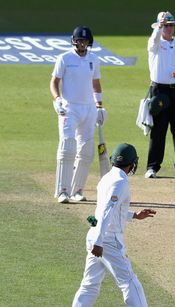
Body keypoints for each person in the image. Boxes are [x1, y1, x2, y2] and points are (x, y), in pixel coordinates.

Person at [56, 143, 172, 307]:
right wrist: (100, 242)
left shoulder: (107, 178)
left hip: (96, 237)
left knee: (89, 286)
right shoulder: (120, 182)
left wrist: (134, 215)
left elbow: (111, 210)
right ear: (132, 164)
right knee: (130, 283)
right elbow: (106, 213)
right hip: (107, 241)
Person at [50, 25, 107, 203]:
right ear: (74, 41)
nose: (81, 43)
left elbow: (96, 83)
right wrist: (58, 99)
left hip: (88, 109)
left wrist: (99, 106)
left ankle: (77, 190)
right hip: (69, 108)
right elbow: (54, 82)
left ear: (89, 42)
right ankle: (62, 191)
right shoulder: (64, 58)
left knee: (86, 151)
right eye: (79, 40)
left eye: (84, 40)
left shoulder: (94, 59)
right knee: (68, 147)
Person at [144, 11, 175, 179]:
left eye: (171, 25)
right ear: (160, 27)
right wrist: (158, 27)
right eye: (166, 25)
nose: (169, 28)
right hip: (160, 91)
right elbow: (152, 42)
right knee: (158, 130)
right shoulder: (155, 44)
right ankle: (152, 167)